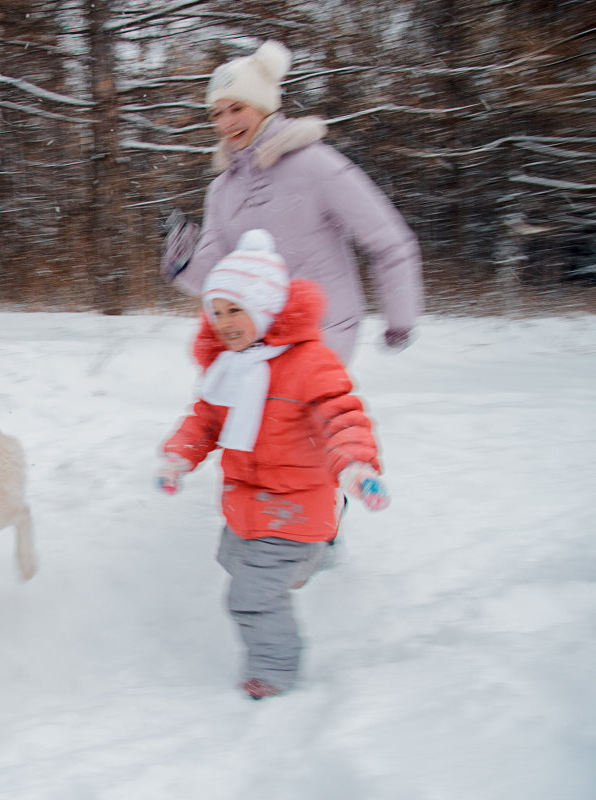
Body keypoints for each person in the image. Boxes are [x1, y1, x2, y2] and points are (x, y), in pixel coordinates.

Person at [158, 229, 390, 700]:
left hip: (294, 508)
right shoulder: (229, 366)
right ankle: (315, 556)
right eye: (215, 311)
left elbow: (340, 415)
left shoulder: (309, 363)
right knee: (231, 558)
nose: (223, 322)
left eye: (235, 309)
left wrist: (355, 466)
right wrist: (178, 457)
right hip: (247, 503)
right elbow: (204, 420)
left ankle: (274, 669)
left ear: (264, 307)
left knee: (251, 599)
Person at [161, 40, 423, 364]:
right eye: (218, 113)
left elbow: (388, 241)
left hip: (321, 333)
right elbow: (214, 274)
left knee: (298, 413)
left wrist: (400, 320)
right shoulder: (221, 190)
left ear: (264, 105)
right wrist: (181, 261)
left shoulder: (316, 165)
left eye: (237, 108)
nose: (227, 123)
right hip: (256, 338)